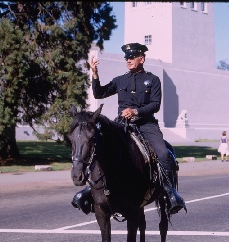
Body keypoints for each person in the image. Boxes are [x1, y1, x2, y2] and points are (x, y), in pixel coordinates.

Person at [72, 43, 186, 215]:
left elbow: (155, 105)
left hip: (146, 125)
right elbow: (99, 93)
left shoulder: (153, 80)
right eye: (126, 58)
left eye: (132, 57)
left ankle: (171, 193)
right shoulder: (120, 80)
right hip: (122, 126)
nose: (128, 60)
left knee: (163, 153)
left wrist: (136, 111)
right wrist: (95, 75)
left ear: (142, 58)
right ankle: (89, 191)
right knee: (101, 150)